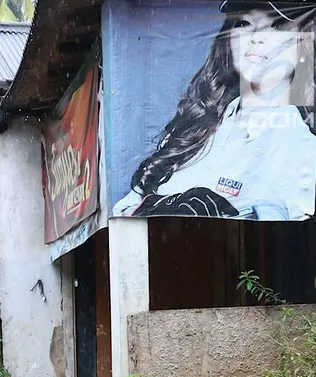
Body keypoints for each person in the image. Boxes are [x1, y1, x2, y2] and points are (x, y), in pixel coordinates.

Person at [113, 1, 316, 219]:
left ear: (304, 43)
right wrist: (162, 208)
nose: (256, 36)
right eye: (244, 23)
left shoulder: (300, 147)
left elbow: (297, 240)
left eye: (275, 26)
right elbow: (123, 214)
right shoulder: (194, 128)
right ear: (228, 39)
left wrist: (226, 226)